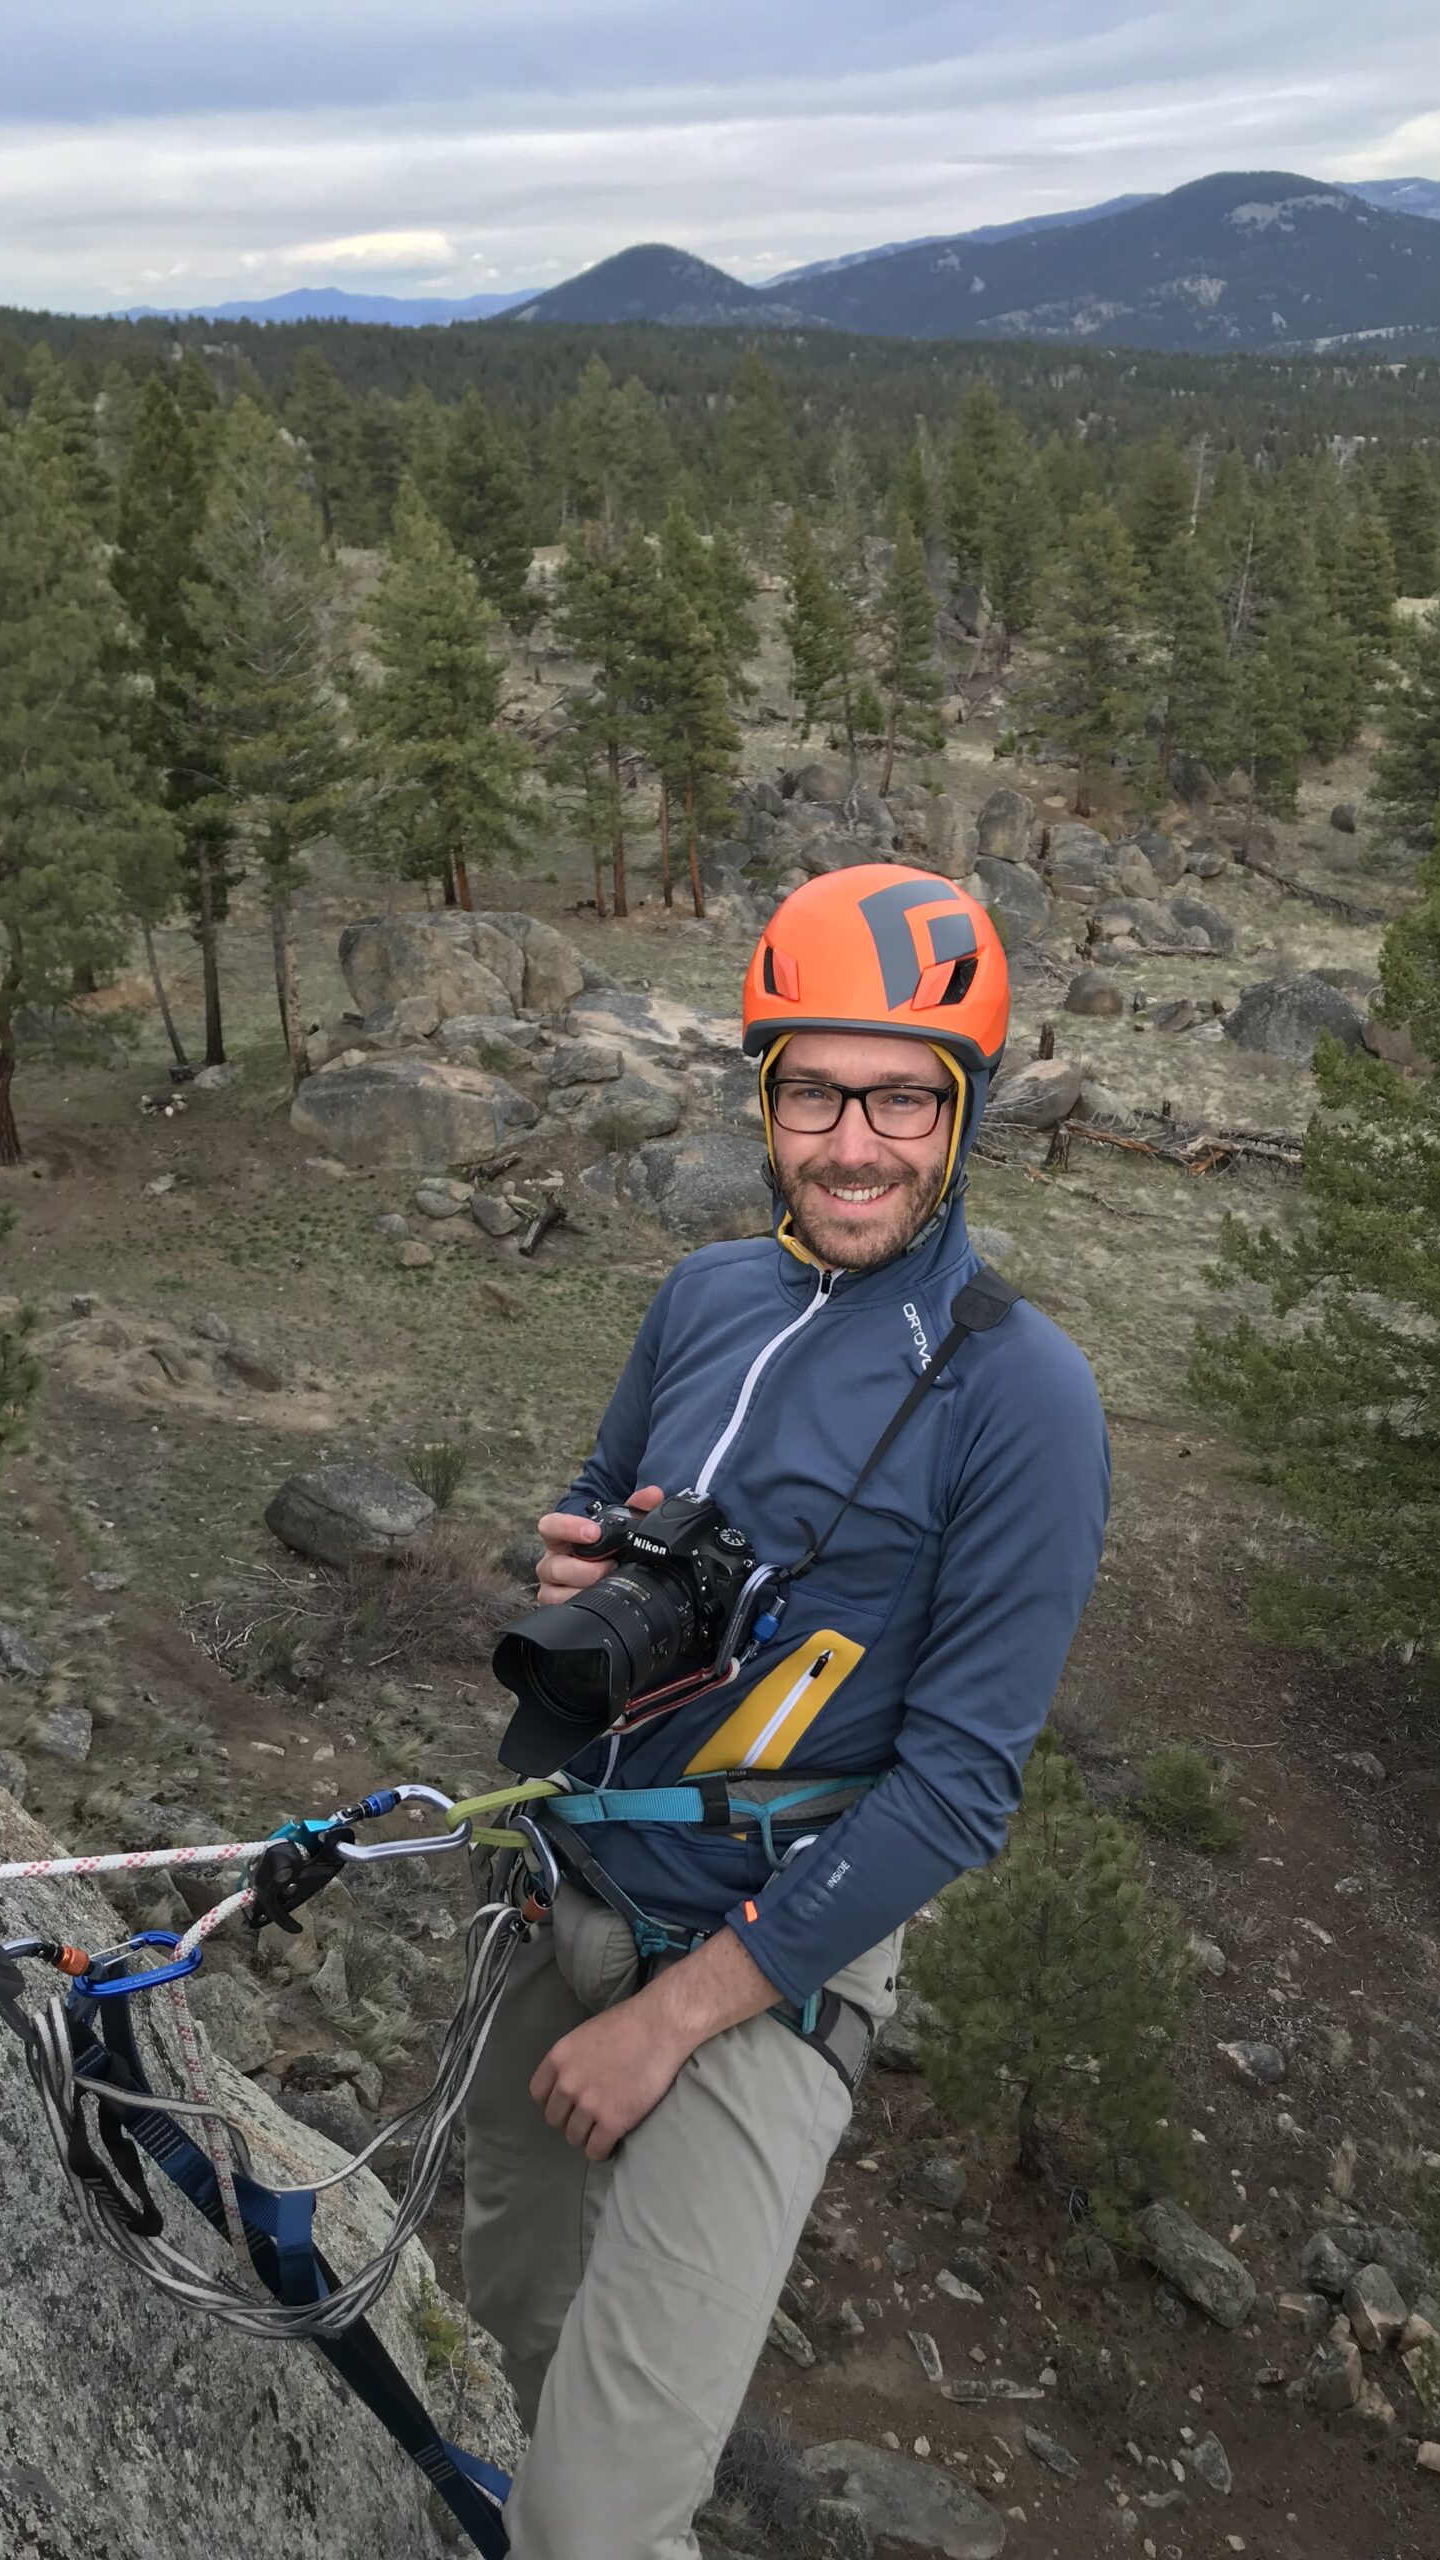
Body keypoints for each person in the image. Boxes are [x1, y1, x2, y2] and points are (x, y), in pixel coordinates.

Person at [463, 863, 1110, 2558]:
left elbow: (960, 1791)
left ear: (966, 1113)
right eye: (814, 1090)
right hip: (565, 1887)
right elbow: (602, 1493)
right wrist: (570, 1554)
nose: (855, 1142)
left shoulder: (1022, 1398)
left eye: (906, 1096)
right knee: (508, 2317)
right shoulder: (705, 1296)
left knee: (591, 2528)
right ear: (765, 1098)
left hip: (774, 1963)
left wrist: (673, 2024)